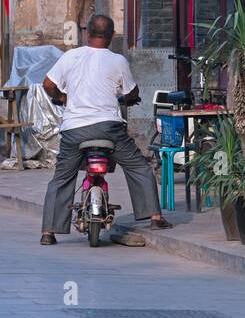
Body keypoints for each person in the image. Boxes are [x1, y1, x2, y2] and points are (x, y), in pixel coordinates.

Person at [38, 14, 172, 245]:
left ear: (87, 34)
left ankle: (48, 232)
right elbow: (131, 91)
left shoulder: (71, 56)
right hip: (109, 129)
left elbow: (48, 84)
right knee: (139, 166)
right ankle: (155, 216)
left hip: (74, 130)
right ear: (111, 37)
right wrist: (131, 98)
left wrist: (62, 97)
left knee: (61, 177)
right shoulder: (118, 61)